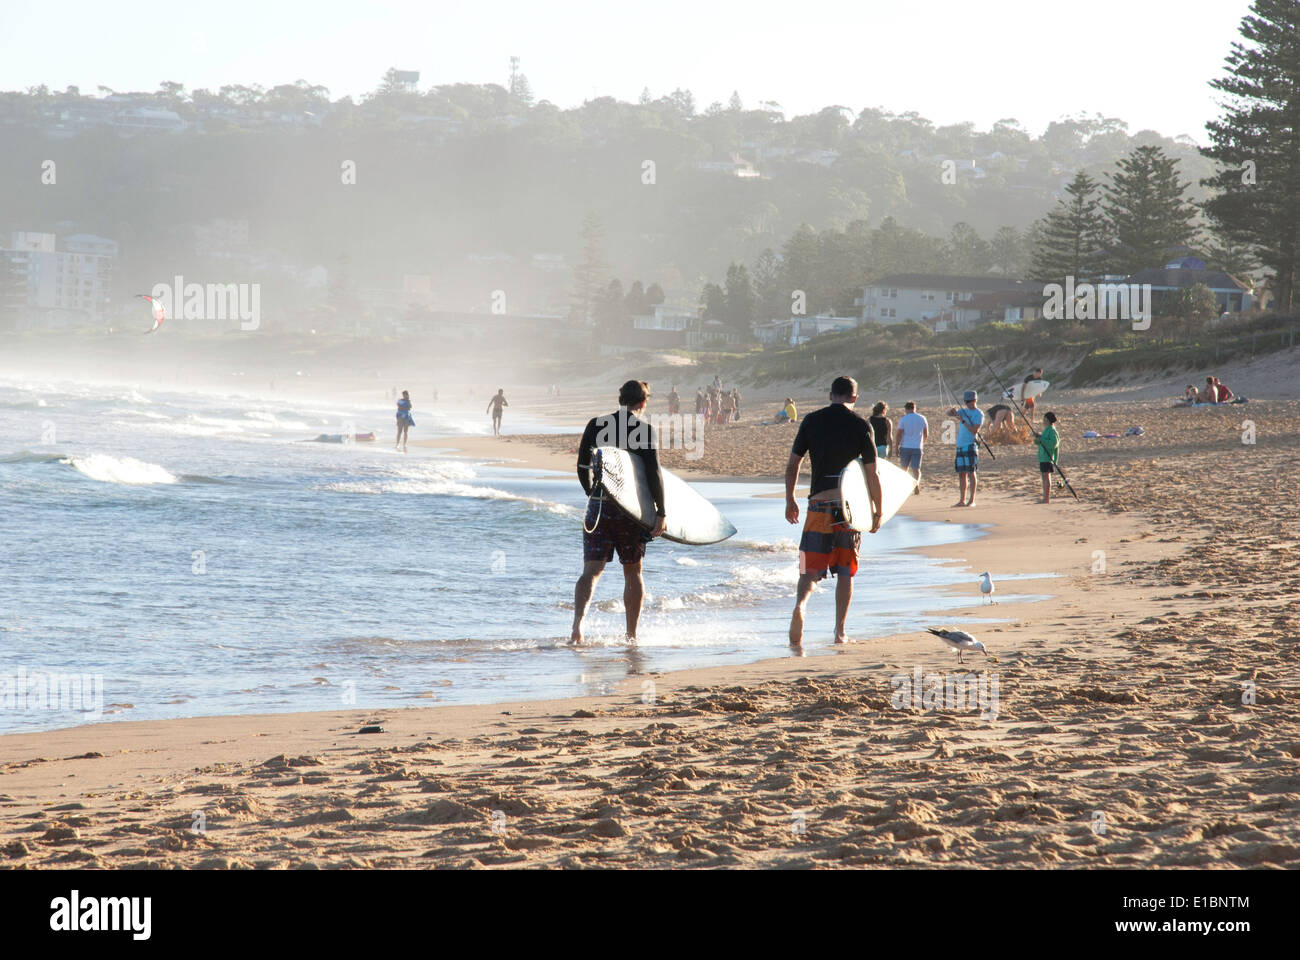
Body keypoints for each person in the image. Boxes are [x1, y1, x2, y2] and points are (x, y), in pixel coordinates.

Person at [785, 376, 882, 647]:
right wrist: (878, 510)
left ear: (830, 395)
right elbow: (873, 474)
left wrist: (790, 499)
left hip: (818, 505)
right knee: (844, 572)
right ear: (854, 397)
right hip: (848, 510)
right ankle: (840, 632)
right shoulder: (862, 426)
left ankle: (800, 607)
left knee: (807, 571)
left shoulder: (811, 420)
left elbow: (793, 464)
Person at [572, 380, 666, 643]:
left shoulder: (596, 423)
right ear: (643, 402)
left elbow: (582, 465)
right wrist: (661, 512)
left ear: (621, 399)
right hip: (629, 511)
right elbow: (653, 474)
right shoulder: (644, 429)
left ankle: (577, 628)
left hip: (599, 505)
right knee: (633, 571)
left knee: (591, 570)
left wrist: (591, 495)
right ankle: (631, 635)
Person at [946, 389, 984, 507]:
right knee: (961, 473)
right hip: (960, 445)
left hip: (970, 444)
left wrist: (962, 420)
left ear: (975, 400)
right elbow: (949, 414)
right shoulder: (963, 411)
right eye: (967, 402)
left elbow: (974, 430)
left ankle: (971, 500)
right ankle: (962, 500)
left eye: (971, 401)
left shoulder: (978, 414)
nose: (969, 403)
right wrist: (952, 411)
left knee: (971, 472)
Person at [895, 401, 929, 495]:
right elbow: (926, 433)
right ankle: (916, 484)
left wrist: (896, 447)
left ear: (906, 409)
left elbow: (899, 434)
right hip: (917, 446)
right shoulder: (922, 418)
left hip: (905, 446)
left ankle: (904, 486)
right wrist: (922, 442)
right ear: (914, 408)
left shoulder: (904, 419)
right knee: (916, 469)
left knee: (904, 468)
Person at [1037, 411, 1061, 504]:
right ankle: (1044, 497)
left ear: (1048, 420)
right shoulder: (1046, 430)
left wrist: (1042, 439)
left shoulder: (1052, 431)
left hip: (1048, 457)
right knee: (1043, 477)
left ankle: (1046, 499)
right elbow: (1039, 442)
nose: (1043, 421)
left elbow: (1053, 444)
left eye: (1045, 419)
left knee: (1046, 477)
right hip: (1043, 457)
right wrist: (1038, 438)